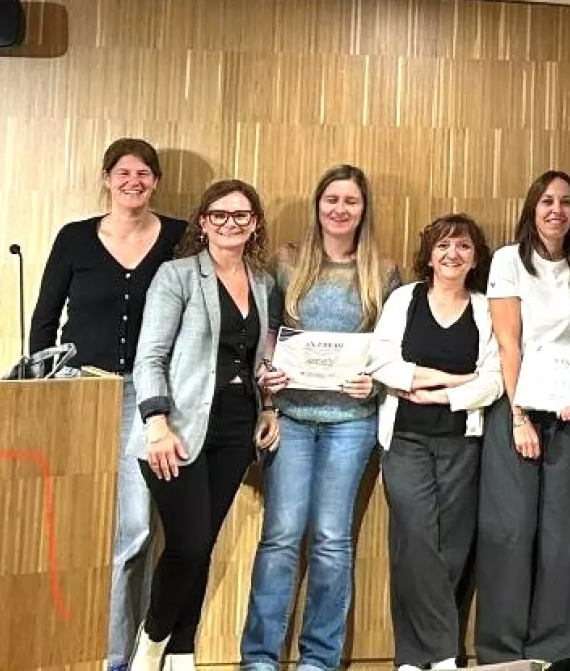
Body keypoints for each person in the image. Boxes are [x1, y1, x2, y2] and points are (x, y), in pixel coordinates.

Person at [26, 137, 187, 671]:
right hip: (80, 392)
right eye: (123, 172)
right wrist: (41, 390)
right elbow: (45, 320)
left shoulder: (181, 238)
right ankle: (74, 641)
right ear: (106, 177)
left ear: (156, 181)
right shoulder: (75, 237)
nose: (133, 181)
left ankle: (122, 655)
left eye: (144, 173)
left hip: (149, 397)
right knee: (80, 525)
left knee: (136, 528)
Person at [241, 165, 400, 671]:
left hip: (351, 422)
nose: (339, 209)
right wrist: (266, 389)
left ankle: (319, 660)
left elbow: (391, 348)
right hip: (289, 417)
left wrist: (373, 382)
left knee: (332, 540)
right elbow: (266, 338)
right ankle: (261, 659)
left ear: (363, 209)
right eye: (331, 199)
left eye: (350, 201)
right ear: (318, 205)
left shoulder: (384, 272)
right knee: (281, 537)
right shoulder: (286, 263)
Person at [127, 179, 280, 671]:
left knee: (203, 543)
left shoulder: (263, 283)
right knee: (188, 544)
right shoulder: (177, 276)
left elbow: (258, 358)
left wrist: (270, 402)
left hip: (237, 429)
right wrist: (156, 422)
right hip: (176, 432)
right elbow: (149, 357)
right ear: (203, 222)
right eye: (219, 214)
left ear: (254, 223)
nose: (230, 223)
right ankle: (151, 644)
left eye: (240, 215)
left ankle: (182, 651)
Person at [479, 170, 570, 663]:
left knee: (565, 535)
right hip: (518, 409)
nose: (557, 210)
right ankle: (503, 651)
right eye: (548, 201)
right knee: (510, 531)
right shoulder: (508, 261)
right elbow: (508, 342)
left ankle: (557, 651)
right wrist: (518, 416)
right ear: (533, 207)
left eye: (566, 202)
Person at [370, 213, 502, 671]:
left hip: (461, 444)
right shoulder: (404, 299)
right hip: (404, 439)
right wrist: (452, 377)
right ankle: (443, 655)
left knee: (453, 547)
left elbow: (494, 379)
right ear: (429, 255)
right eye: (443, 246)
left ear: (475, 258)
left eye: (463, 246)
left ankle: (412, 658)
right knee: (416, 539)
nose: (453, 254)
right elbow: (382, 362)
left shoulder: (485, 309)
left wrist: (443, 395)